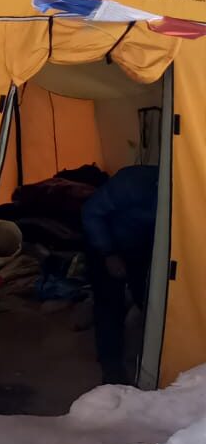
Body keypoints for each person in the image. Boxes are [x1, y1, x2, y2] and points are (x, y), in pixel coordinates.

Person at [81, 164, 158, 386]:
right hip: (105, 242)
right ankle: (111, 367)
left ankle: (155, 358)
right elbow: (90, 212)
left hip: (141, 246)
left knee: (150, 298)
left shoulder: (187, 192)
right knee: (109, 304)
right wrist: (108, 253)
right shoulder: (134, 182)